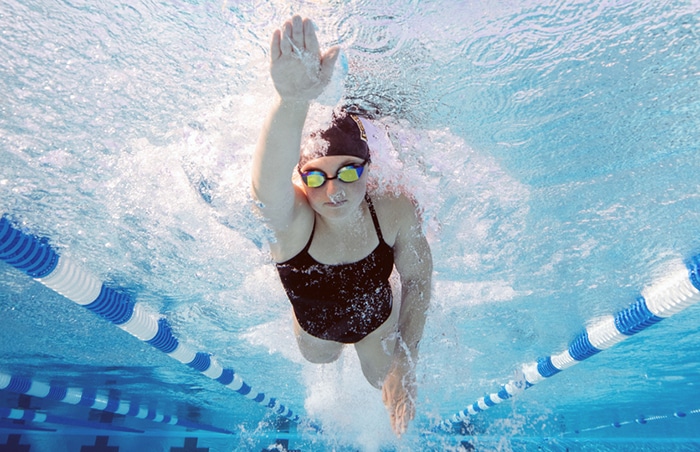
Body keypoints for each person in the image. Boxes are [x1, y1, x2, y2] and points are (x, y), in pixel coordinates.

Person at [251, 15, 432, 437]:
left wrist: (407, 356)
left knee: (379, 378)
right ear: (301, 181)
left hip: (378, 323)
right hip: (316, 332)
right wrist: (292, 101)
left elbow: (419, 279)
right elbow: (266, 188)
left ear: (368, 170)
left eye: (348, 172)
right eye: (316, 176)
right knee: (321, 358)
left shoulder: (394, 212)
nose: (334, 190)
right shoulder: (294, 224)